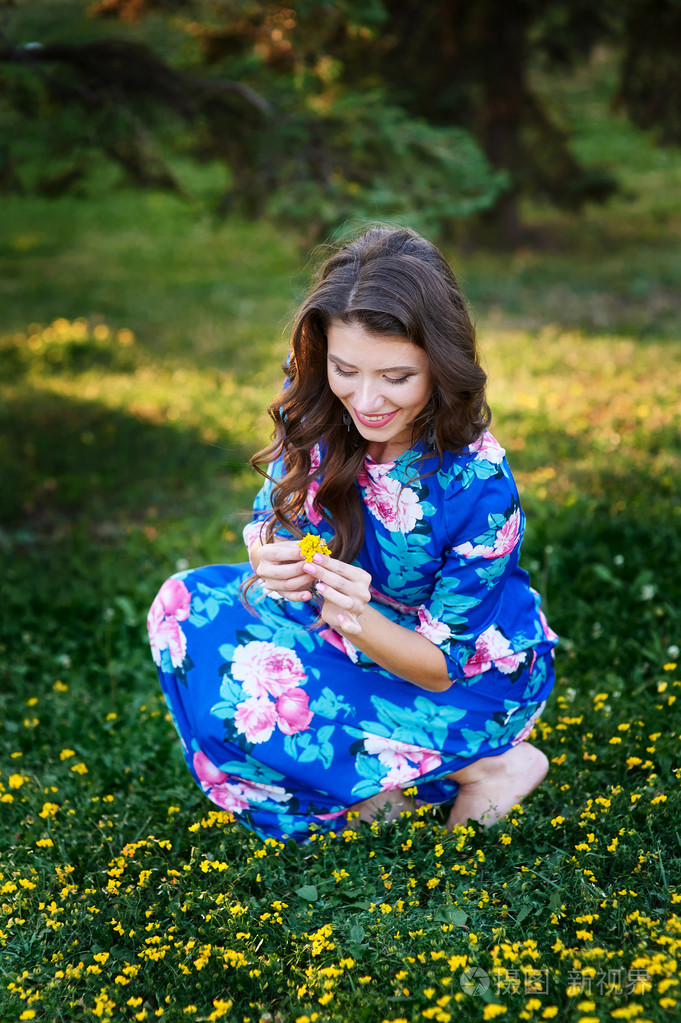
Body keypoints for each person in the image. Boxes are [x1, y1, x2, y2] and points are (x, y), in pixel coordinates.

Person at [147, 226, 558, 843]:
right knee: (184, 609)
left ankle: (489, 765)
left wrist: (354, 620)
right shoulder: (320, 407)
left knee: (265, 697)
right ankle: (388, 783)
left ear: (441, 367)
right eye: (345, 369)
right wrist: (267, 555)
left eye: (396, 377)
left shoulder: (478, 484)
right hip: (343, 627)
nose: (365, 400)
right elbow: (273, 517)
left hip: (460, 680)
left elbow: (440, 666)